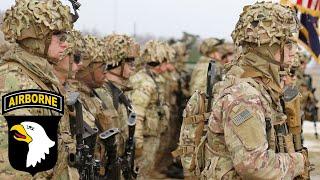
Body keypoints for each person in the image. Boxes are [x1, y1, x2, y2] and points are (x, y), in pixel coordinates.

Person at [200, 2, 309, 179]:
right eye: (287, 45)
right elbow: (255, 167)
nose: (293, 52)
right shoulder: (244, 96)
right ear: (267, 49)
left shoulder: (261, 88)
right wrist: (299, 162)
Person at [0, 0, 73, 179]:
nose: (66, 44)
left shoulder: (42, 78)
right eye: (60, 36)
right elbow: (17, 171)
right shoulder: (16, 82)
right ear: (37, 38)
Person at [94, 34, 140, 178]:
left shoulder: (119, 91)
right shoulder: (103, 93)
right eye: (129, 61)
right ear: (114, 63)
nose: (133, 65)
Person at [129, 40, 171, 178]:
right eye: (165, 61)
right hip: (144, 139)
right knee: (140, 173)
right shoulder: (144, 82)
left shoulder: (152, 78)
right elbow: (136, 114)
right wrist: (138, 143)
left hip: (150, 137)